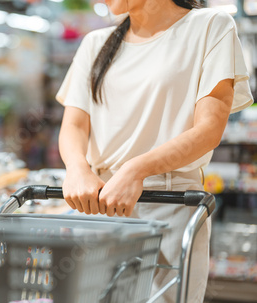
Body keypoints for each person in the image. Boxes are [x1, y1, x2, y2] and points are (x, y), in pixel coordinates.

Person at [56, 0, 254, 302]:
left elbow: (209, 129)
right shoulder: (95, 43)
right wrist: (77, 169)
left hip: (171, 205)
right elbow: (74, 125)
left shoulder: (210, 25)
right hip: (98, 208)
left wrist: (136, 169)